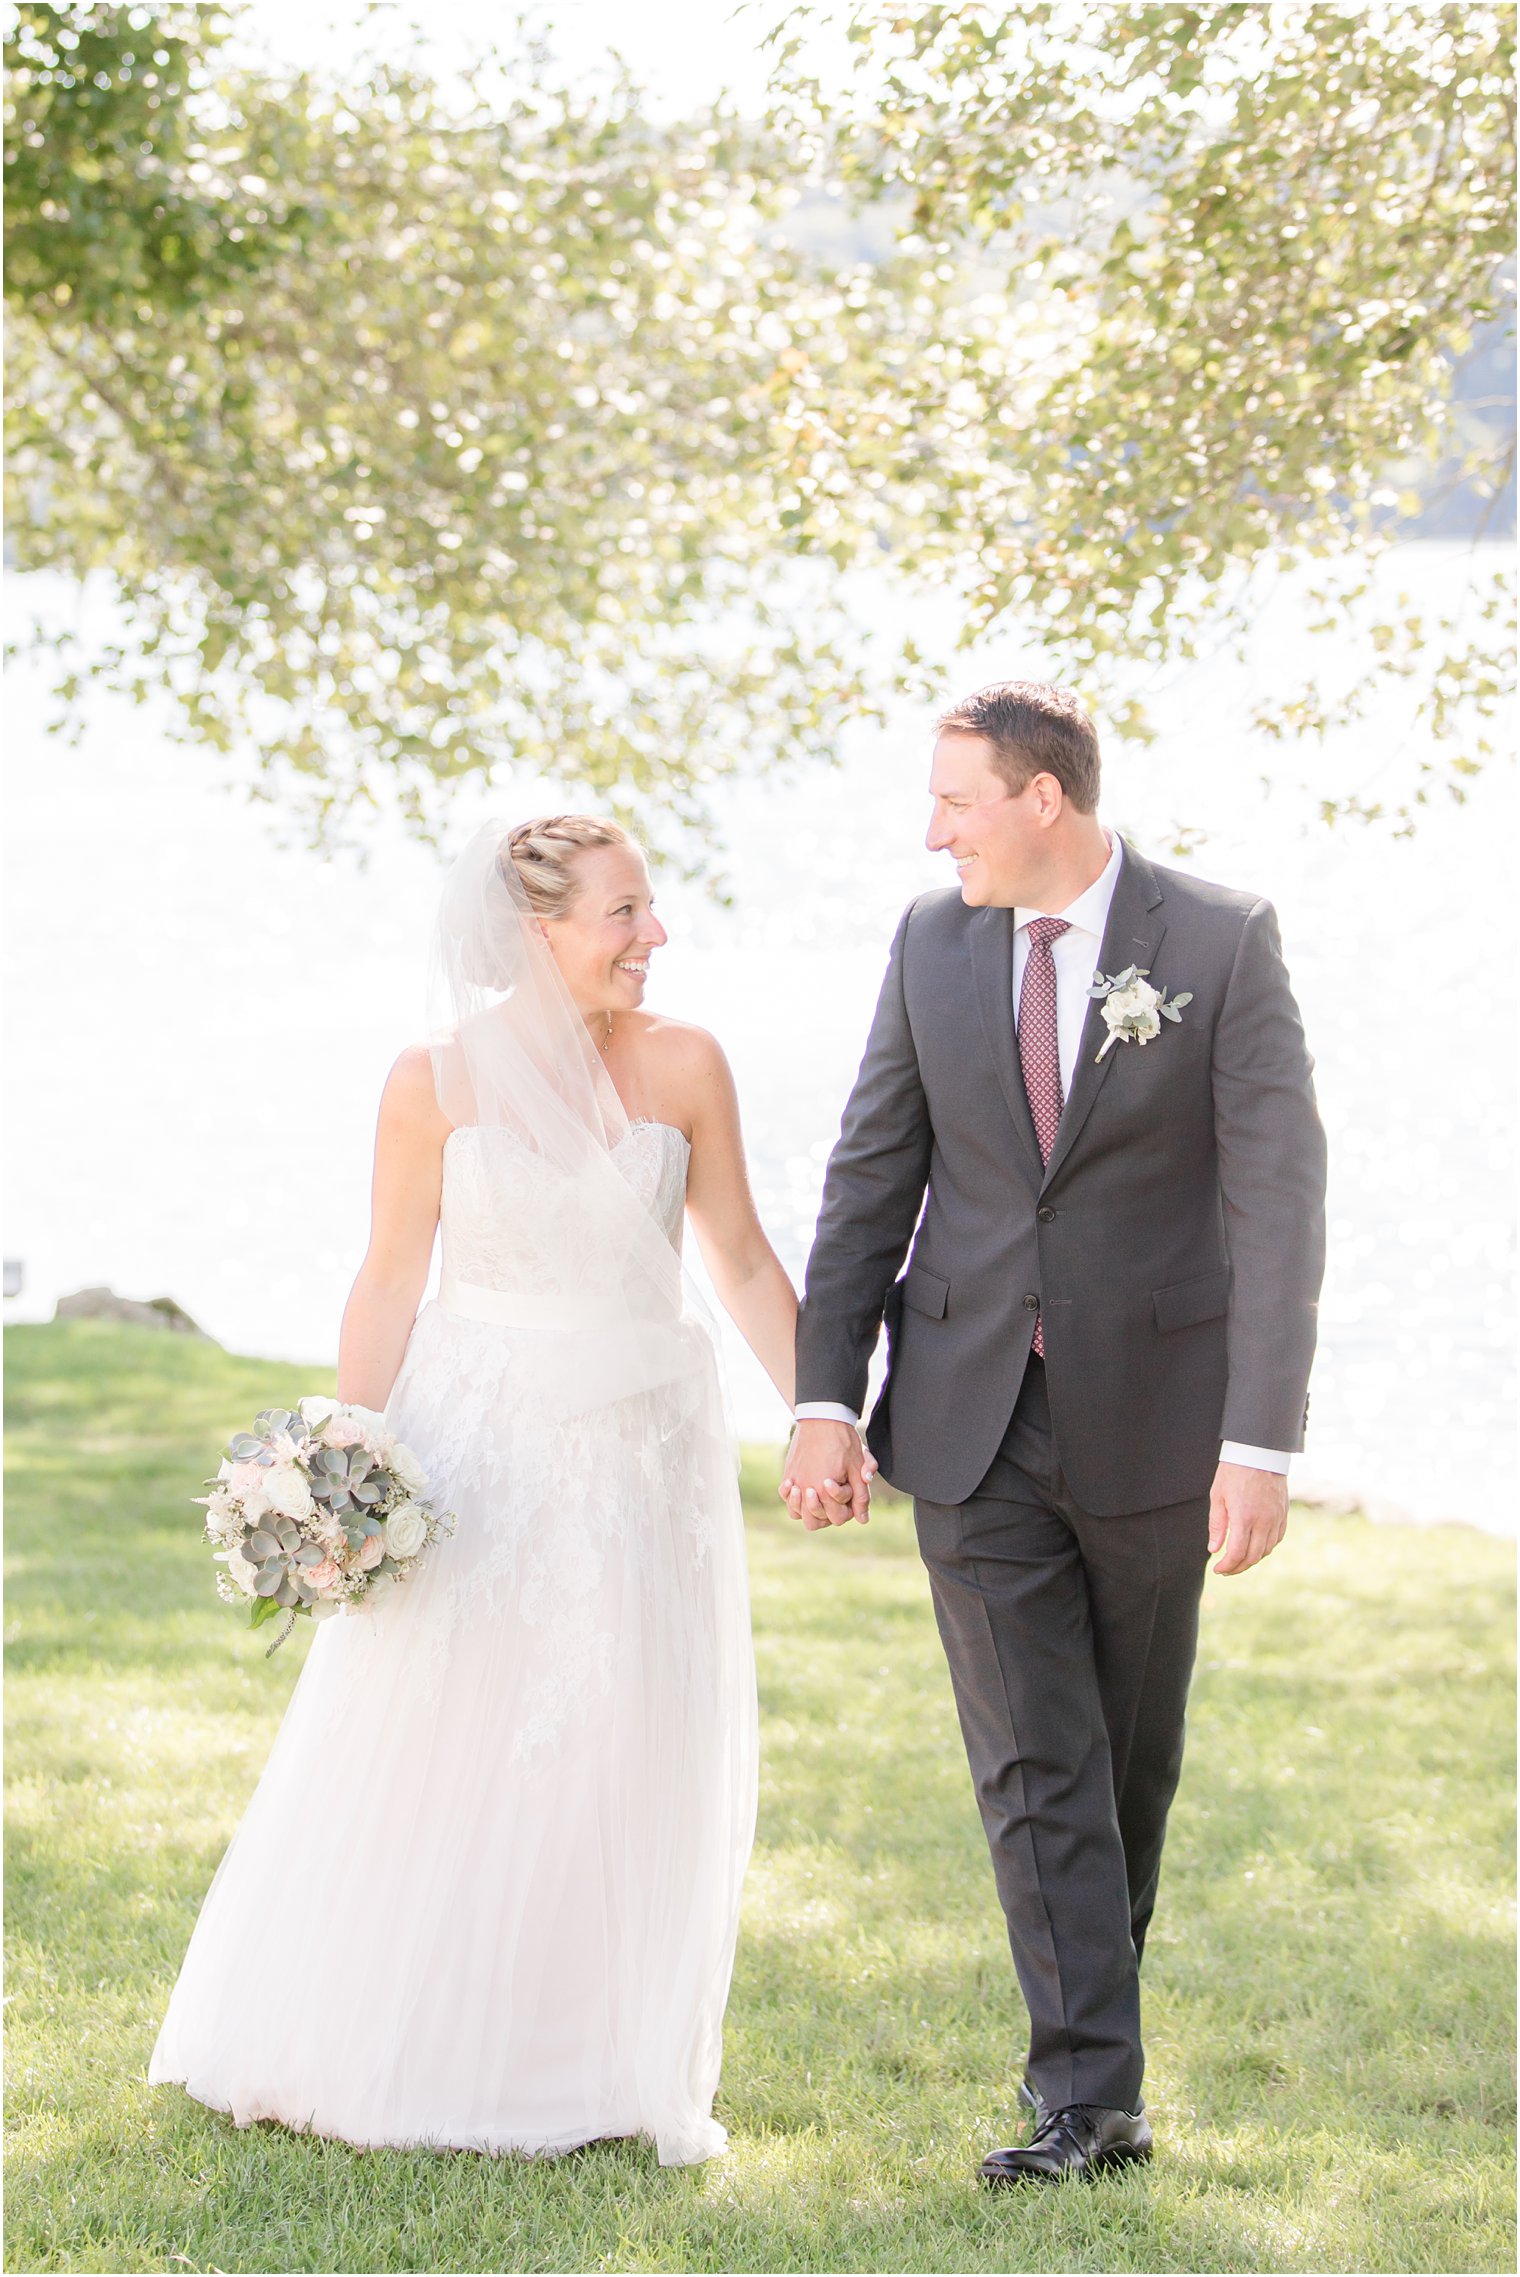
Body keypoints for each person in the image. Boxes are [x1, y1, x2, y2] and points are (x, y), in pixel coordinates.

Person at [150, 814, 799, 2165]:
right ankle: (407, 2034)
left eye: (650, 907)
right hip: (480, 1446)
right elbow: (390, 1273)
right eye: (623, 913)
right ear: (534, 934)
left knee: (622, 1734)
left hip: (641, 1458)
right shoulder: (429, 1080)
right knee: (451, 1733)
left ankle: (593, 2053)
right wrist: (339, 1460)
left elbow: (736, 1253)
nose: (655, 935)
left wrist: (828, 1413)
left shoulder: (688, 1063)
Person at [782, 681, 1326, 2185]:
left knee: (1121, 1768)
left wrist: (1260, 1439)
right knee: (1035, 1760)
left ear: (1044, 801)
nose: (933, 826)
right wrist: (827, 1395)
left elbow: (1277, 1204)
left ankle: (1094, 2042)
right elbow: (869, 1176)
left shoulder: (1217, 939)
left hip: (1158, 1426)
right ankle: (1090, 2103)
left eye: (956, 798)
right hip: (967, 1420)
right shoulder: (928, 942)